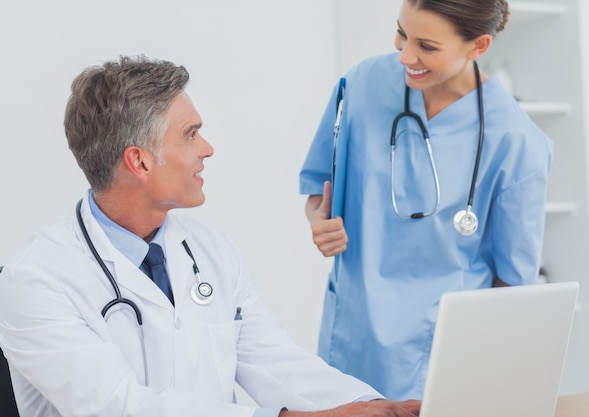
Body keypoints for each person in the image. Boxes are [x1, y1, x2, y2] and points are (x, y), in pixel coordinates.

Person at [0, 56, 422, 417]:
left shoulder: (211, 251)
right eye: (190, 134)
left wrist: (376, 406)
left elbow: (272, 360)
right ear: (140, 161)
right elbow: (120, 407)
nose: (207, 149)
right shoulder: (36, 281)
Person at [300, 0, 553, 400]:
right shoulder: (362, 84)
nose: (405, 55)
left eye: (427, 46)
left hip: (440, 351)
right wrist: (319, 221)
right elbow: (320, 187)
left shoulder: (516, 141)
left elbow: (513, 285)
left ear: (479, 46)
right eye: (401, 33)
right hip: (353, 333)